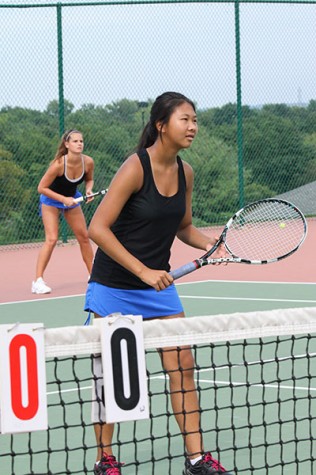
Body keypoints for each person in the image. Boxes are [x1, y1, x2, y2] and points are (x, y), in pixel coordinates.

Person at [84, 92, 232, 475]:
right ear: (162, 125)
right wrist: (144, 272)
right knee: (116, 377)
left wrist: (214, 243)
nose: (193, 127)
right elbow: (96, 228)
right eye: (185, 119)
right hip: (114, 286)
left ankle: (197, 459)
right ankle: (105, 459)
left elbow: (183, 227)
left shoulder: (186, 173)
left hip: (159, 292)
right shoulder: (135, 167)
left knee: (183, 364)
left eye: (196, 120)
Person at [32, 129, 95, 294]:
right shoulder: (58, 165)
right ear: (67, 144)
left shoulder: (88, 162)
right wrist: (62, 199)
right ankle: (37, 281)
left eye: (81, 141)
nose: (79, 144)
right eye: (75, 141)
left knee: (84, 237)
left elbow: (89, 179)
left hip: (72, 198)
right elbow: (41, 188)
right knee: (52, 239)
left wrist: (89, 190)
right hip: (51, 200)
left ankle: (94, 276)